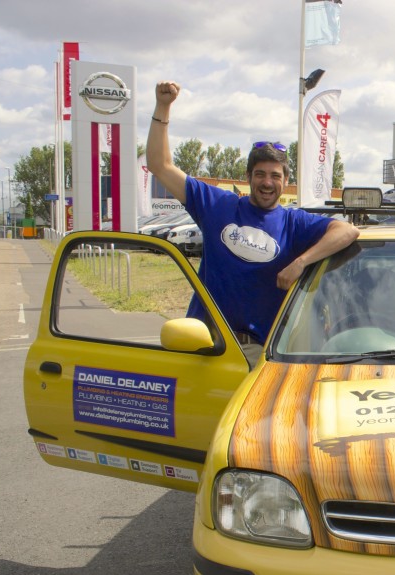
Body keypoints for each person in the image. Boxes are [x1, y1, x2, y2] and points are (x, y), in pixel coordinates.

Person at [146, 80, 359, 364]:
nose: (267, 182)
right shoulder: (217, 206)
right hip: (208, 345)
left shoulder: (294, 224)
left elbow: (347, 230)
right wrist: (163, 106)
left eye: (275, 175)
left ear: (286, 182)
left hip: (259, 354)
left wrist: (301, 262)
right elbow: (160, 165)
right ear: (248, 177)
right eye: (260, 174)